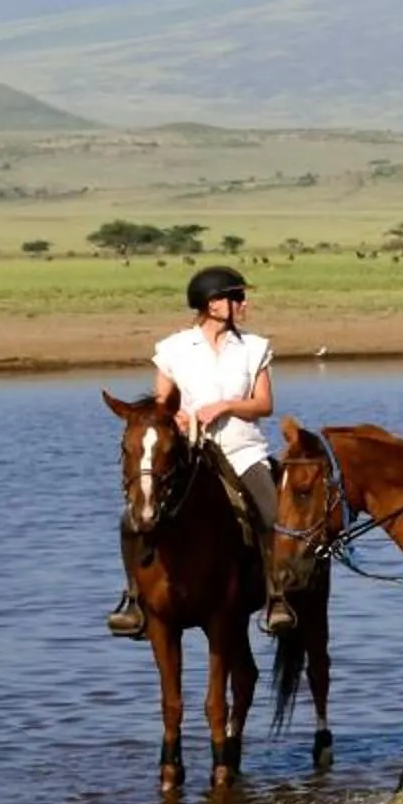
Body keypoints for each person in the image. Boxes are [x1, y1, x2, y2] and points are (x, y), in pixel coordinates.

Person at [108, 265, 293, 637]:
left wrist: (226, 406)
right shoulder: (173, 349)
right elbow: (161, 405)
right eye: (236, 297)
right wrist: (174, 416)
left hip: (242, 450)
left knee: (271, 512)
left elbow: (264, 404)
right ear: (212, 304)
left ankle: (276, 597)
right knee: (133, 517)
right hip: (190, 450)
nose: (243, 303)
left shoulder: (255, 347)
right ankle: (134, 598)